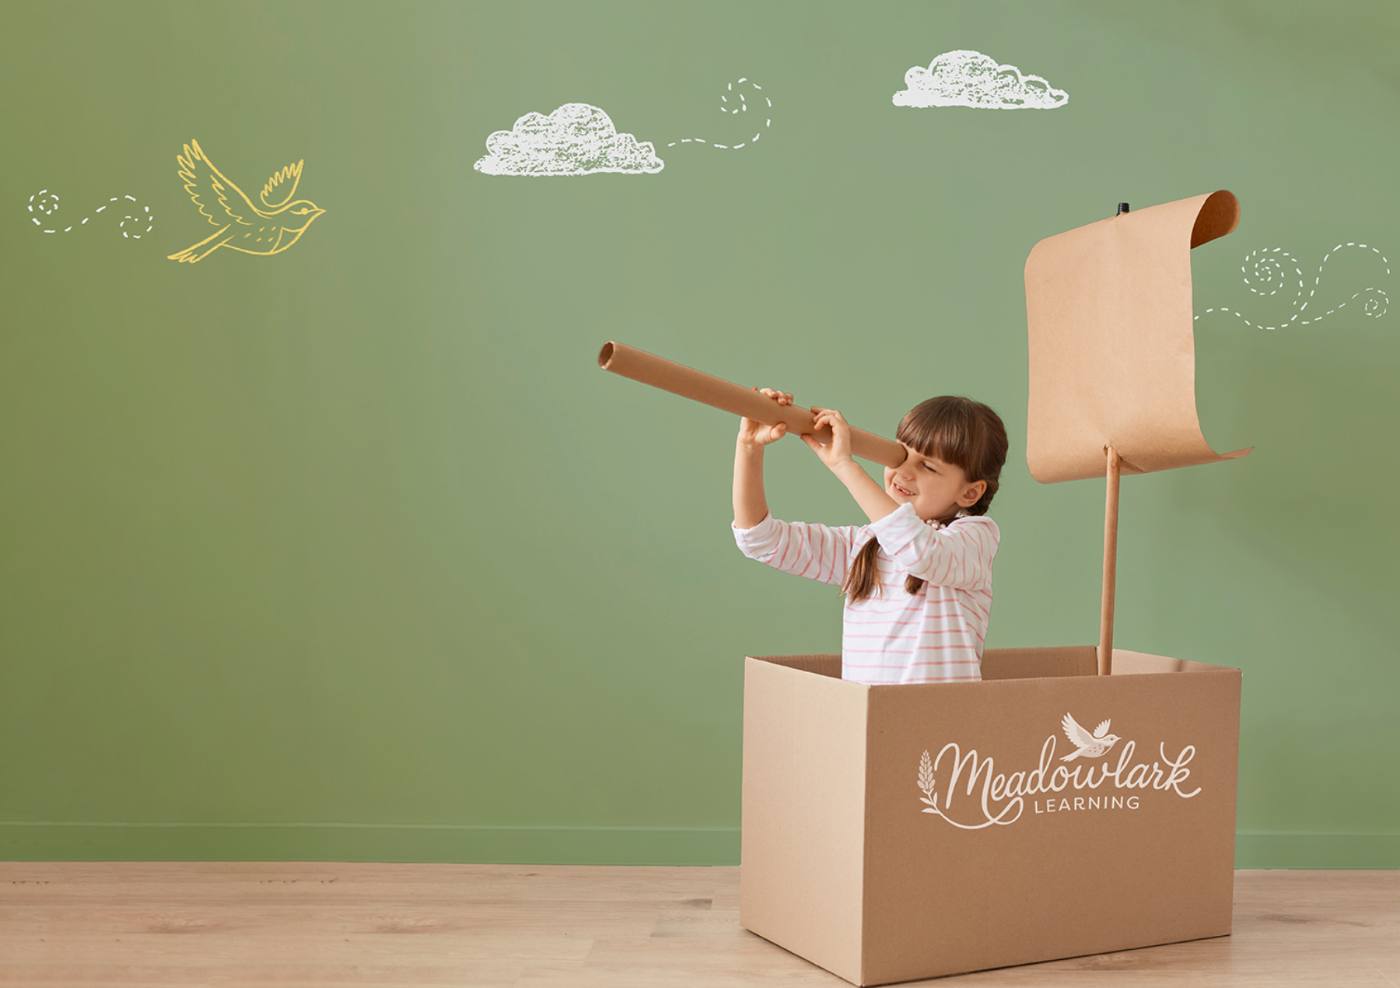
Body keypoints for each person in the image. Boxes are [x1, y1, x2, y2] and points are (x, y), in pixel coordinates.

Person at [732, 390, 1008, 685]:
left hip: (938, 712)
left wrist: (846, 467)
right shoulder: (862, 545)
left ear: (970, 492)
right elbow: (761, 540)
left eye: (928, 467)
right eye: (900, 455)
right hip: (870, 711)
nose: (903, 472)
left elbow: (920, 552)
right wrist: (749, 449)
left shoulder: (974, 538)